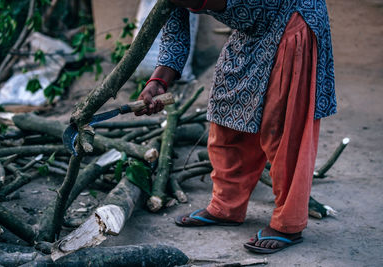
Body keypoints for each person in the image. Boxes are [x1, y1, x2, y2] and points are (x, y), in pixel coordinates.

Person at [135, 0, 336, 254]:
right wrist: (158, 82)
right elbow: (174, 29)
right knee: (227, 108)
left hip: (291, 15)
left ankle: (289, 223)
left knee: (283, 124)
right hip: (252, 29)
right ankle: (226, 206)